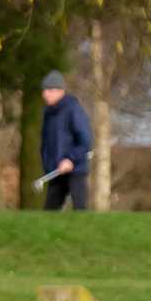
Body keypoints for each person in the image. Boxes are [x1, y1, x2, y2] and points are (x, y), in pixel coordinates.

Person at [39, 70, 93, 211]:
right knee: (49, 213)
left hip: (75, 170)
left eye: (50, 90)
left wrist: (70, 159)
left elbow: (85, 141)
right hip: (56, 171)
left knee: (79, 210)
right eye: (44, 90)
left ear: (60, 91)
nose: (45, 94)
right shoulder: (48, 113)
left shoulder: (73, 110)